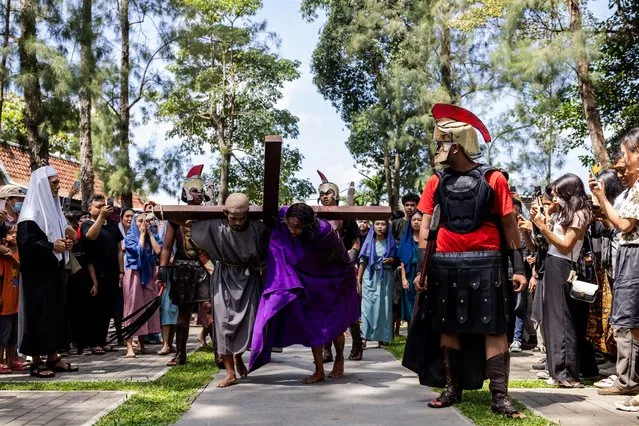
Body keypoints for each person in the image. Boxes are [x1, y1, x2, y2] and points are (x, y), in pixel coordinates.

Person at [403, 104, 527, 418]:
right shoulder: (435, 182)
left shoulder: (494, 178)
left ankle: (500, 398)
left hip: (488, 263)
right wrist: (423, 269)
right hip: (445, 264)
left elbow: (510, 223)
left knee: (494, 329)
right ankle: (451, 388)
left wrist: (519, 266)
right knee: (448, 327)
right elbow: (427, 227)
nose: (436, 150)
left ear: (455, 145)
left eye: (440, 143)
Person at [249, 203, 360, 384]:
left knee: (334, 323)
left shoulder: (325, 233)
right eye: (290, 226)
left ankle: (339, 359)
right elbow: (282, 212)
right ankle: (319, 370)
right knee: (313, 325)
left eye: (297, 227)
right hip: (307, 280)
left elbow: (342, 258)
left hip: (333, 278)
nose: (292, 231)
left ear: (309, 225)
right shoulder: (286, 216)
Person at [189, 193, 270, 388]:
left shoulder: (258, 229)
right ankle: (230, 372)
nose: (237, 222)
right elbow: (185, 223)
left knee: (249, 323)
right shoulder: (215, 227)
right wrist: (160, 212)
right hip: (224, 277)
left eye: (242, 218)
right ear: (225, 213)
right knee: (223, 324)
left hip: (249, 278)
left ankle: (238, 357)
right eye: (233, 218)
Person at [589, 129, 639, 410]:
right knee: (631, 323)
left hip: (634, 253)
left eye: (625, 153)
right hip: (630, 255)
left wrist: (603, 199)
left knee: (633, 322)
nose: (622, 160)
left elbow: (623, 225)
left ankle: (631, 380)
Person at [533, 173, 595, 388]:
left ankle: (568, 373)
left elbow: (566, 245)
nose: (556, 198)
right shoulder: (564, 212)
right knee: (552, 320)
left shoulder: (580, 213)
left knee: (562, 320)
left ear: (570, 193)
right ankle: (557, 370)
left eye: (559, 194)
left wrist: (543, 228)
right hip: (552, 263)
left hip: (564, 265)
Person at [18, 165, 78, 378]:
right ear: (43, 184)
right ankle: (35, 361)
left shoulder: (53, 211)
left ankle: (52, 356)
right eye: (54, 183)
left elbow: (58, 237)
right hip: (37, 276)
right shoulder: (30, 214)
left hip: (54, 271)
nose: (58, 186)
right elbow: (26, 244)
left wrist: (65, 244)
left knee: (55, 313)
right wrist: (52, 246)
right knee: (38, 314)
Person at [157, 165, 216, 367]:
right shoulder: (175, 218)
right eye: (194, 190)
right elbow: (166, 246)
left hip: (203, 266)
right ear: (185, 192)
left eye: (200, 191)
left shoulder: (208, 216)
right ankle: (181, 354)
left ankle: (219, 353)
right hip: (181, 268)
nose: (198, 194)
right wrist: (162, 269)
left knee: (208, 307)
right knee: (183, 312)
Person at [316, 171, 364, 362]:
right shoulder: (316, 217)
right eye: (322, 193)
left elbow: (355, 242)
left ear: (335, 194)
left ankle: (357, 345)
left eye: (328, 192)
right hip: (323, 268)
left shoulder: (347, 216)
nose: (325, 196)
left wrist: (349, 260)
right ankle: (327, 349)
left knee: (349, 306)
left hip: (343, 267)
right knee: (324, 308)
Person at [81, 194, 125, 354]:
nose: (102, 209)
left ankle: (102, 339)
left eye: (103, 206)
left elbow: (120, 249)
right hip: (94, 274)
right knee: (95, 309)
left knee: (107, 308)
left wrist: (121, 271)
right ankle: (93, 342)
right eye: (98, 206)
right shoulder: (87, 224)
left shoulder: (113, 226)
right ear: (90, 209)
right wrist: (100, 217)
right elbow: (90, 236)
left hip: (112, 273)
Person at [122, 214, 162, 358]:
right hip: (134, 273)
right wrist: (142, 235)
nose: (143, 224)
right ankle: (129, 346)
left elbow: (158, 251)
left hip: (148, 274)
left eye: (146, 221)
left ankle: (142, 344)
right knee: (132, 307)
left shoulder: (152, 236)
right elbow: (137, 251)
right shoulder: (130, 236)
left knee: (146, 307)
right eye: (140, 221)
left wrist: (150, 234)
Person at [358, 220, 396, 346]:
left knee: (384, 307)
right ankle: (364, 336)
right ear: (373, 226)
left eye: (383, 224)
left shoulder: (391, 243)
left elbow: (397, 260)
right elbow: (362, 262)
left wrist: (391, 260)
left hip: (386, 277)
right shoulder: (368, 242)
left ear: (387, 226)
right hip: (370, 276)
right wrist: (358, 280)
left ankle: (382, 336)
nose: (380, 227)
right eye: (377, 224)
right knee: (367, 307)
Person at [0, 224, 27, 373]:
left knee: (13, 335)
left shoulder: (18, 253)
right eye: (11, 232)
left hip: (17, 300)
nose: (14, 235)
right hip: (5, 300)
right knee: (2, 334)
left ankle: (11, 359)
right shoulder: (3, 256)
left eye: (17, 232)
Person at [398, 212, 422, 325]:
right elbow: (403, 260)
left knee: (422, 304)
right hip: (409, 273)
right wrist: (403, 278)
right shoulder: (406, 239)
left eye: (419, 219)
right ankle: (411, 333)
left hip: (423, 273)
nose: (416, 222)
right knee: (409, 305)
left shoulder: (427, 239)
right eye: (414, 220)